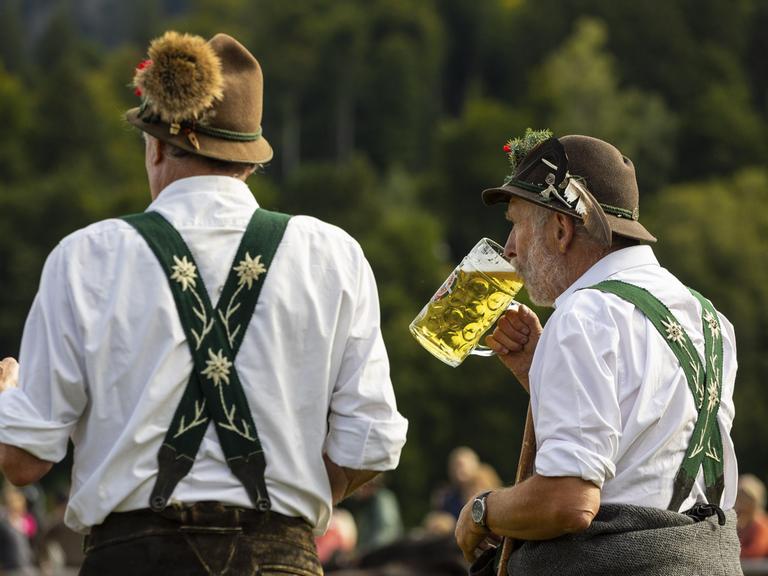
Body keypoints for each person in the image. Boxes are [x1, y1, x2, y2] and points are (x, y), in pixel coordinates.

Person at [0, 31, 407, 576]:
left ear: (158, 145)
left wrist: (7, 397)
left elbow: (25, 462)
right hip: (280, 560)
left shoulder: (86, 257)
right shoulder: (333, 256)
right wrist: (289, 508)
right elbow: (370, 444)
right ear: (248, 158)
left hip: (132, 560)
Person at [454, 130, 741, 575]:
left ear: (561, 228)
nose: (509, 250)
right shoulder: (709, 319)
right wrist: (540, 372)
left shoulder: (583, 315)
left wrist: (482, 510)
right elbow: (645, 446)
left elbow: (568, 503)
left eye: (516, 224)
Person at [735, 474, 768, 558]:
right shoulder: (740, 524)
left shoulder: (761, 525)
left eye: (744, 497)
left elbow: (756, 551)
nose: (739, 502)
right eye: (738, 496)